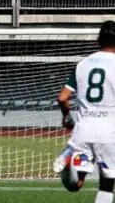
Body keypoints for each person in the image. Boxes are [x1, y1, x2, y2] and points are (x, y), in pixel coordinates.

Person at [53, 20, 115, 203]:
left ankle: (67, 162)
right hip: (109, 133)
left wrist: (66, 117)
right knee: (107, 182)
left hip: (83, 132)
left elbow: (62, 97)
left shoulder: (83, 64)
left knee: (76, 185)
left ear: (98, 40)